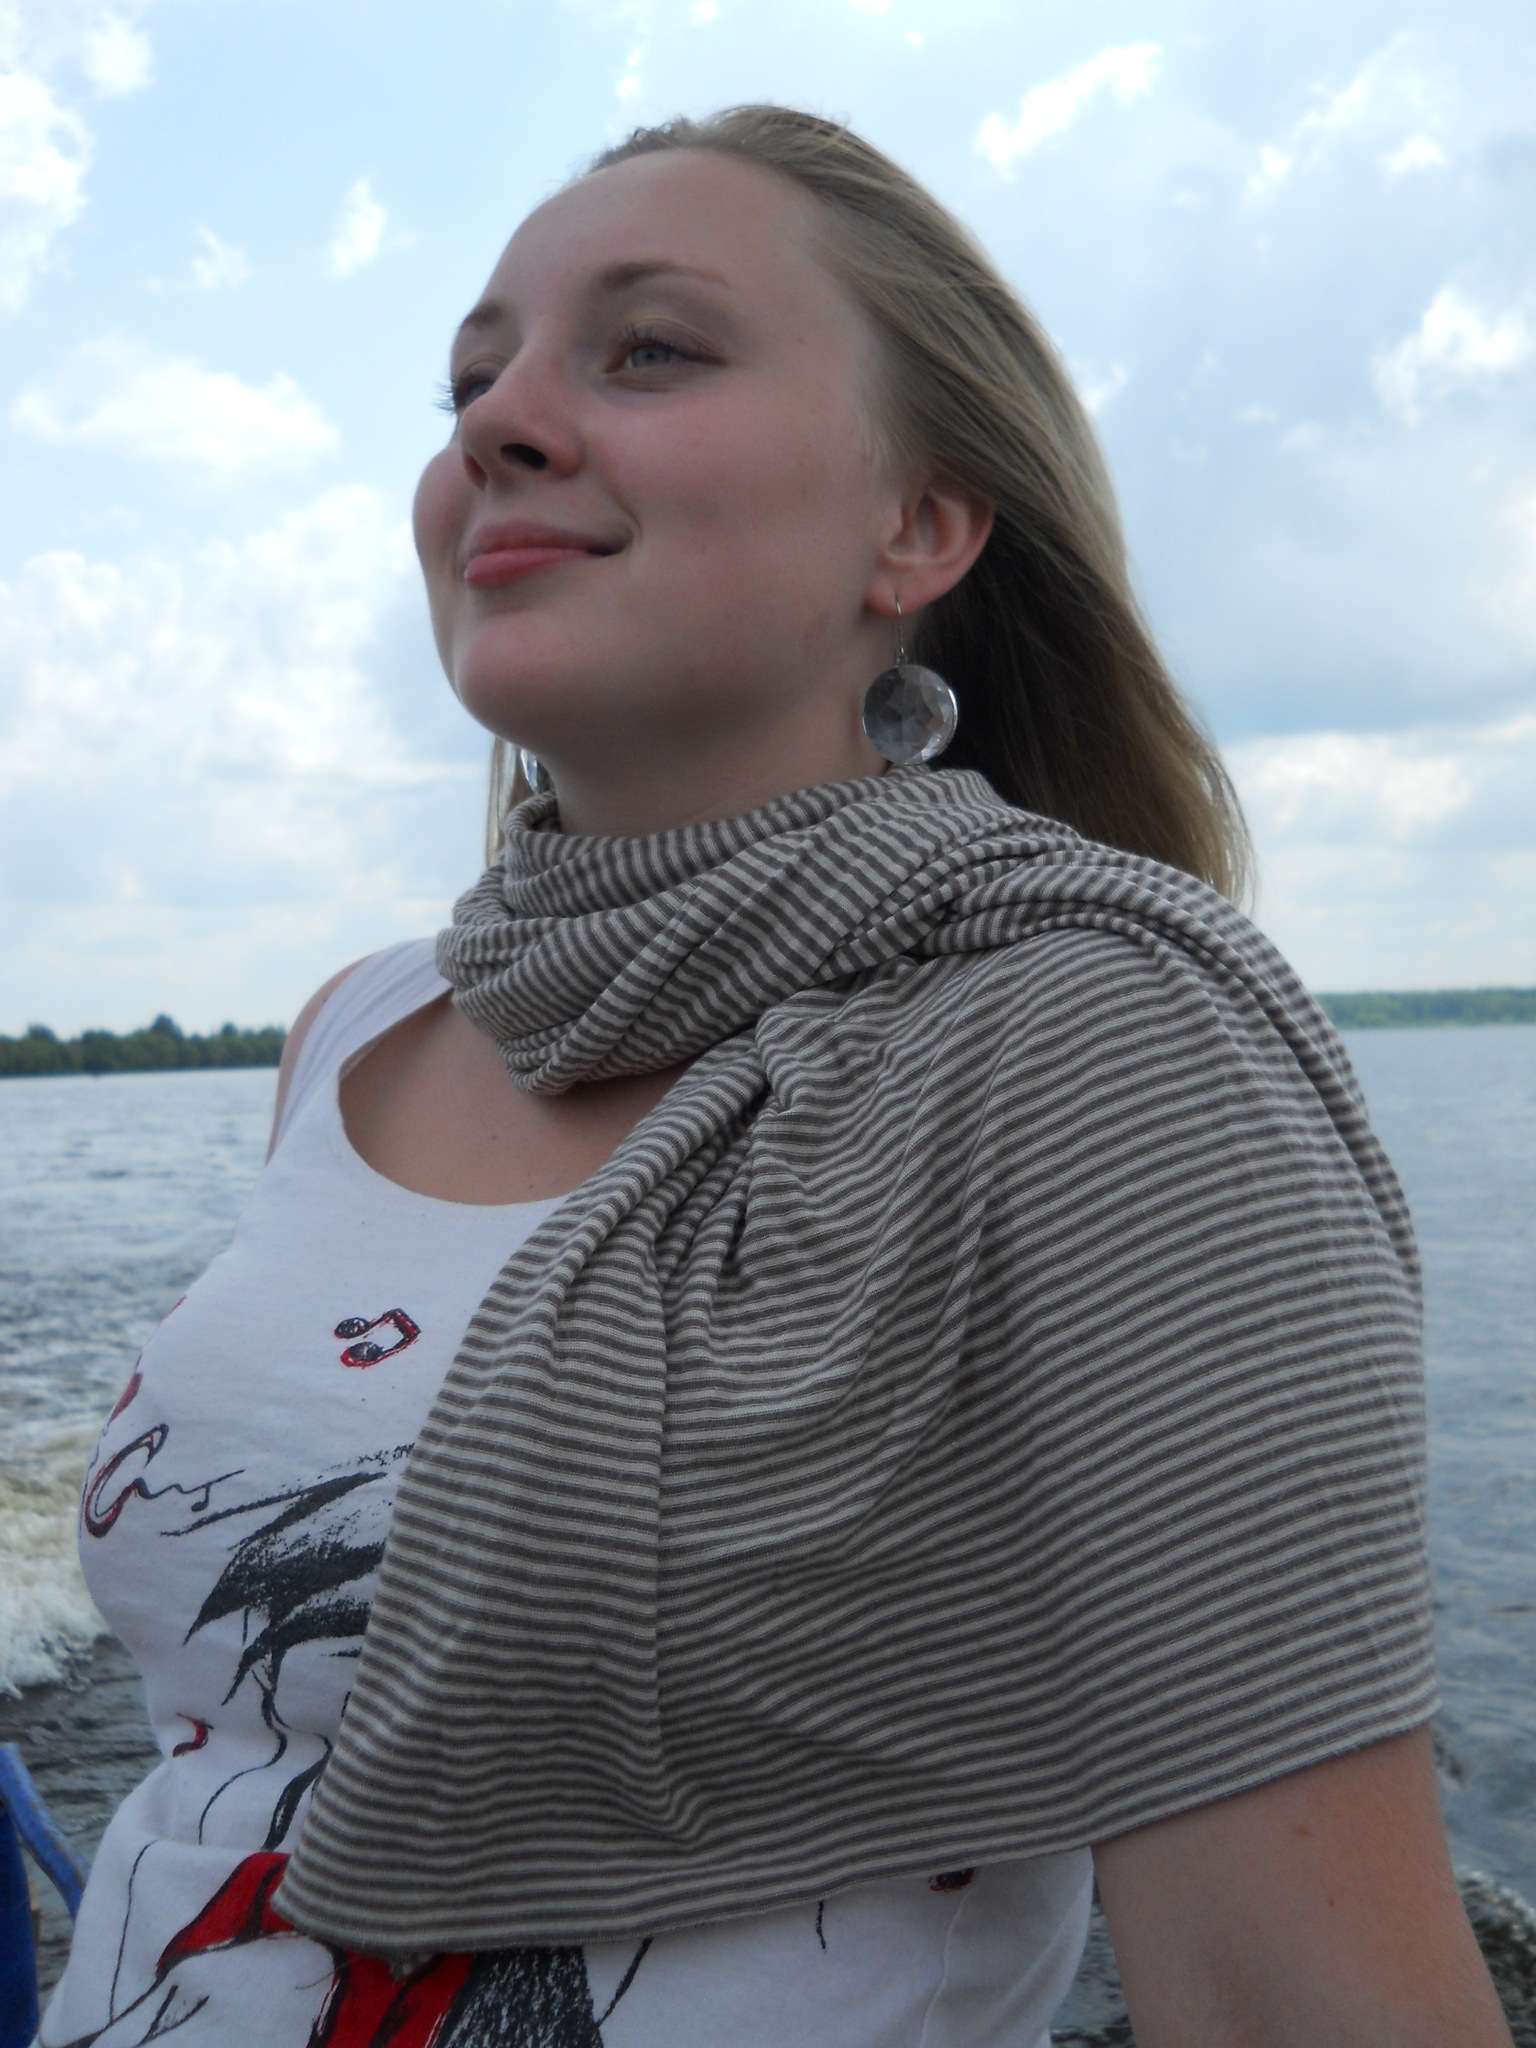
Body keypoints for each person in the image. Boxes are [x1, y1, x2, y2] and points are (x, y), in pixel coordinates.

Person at [43, 106, 1511, 2048]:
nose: (498, 425)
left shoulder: (1099, 1038)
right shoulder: (355, 1031)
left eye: (649, 349)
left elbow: (1294, 1991)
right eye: (469, 384)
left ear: (922, 526)